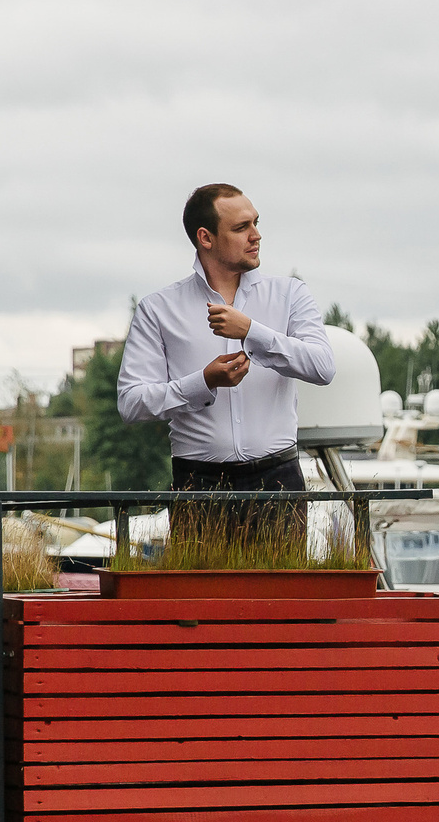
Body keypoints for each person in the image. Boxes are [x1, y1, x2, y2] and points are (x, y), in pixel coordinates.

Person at [118, 183, 337, 549]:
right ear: (205, 237)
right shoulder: (158, 310)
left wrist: (252, 332)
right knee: (203, 607)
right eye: (241, 228)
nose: (256, 235)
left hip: (278, 480)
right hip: (198, 484)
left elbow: (323, 367)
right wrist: (202, 382)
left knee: (283, 607)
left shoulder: (290, 295)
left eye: (256, 222)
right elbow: (131, 402)